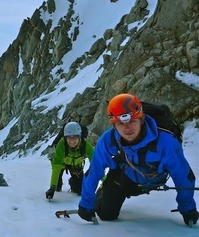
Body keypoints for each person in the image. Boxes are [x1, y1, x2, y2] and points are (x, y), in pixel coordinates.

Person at [78, 93, 198, 226]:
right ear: (114, 125)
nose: (126, 128)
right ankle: (103, 193)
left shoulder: (166, 142)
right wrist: (86, 204)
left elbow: (182, 175)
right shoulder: (109, 140)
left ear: (141, 119)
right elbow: (94, 171)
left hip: (154, 179)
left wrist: (188, 208)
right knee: (106, 214)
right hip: (124, 178)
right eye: (120, 123)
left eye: (132, 121)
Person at [46, 121, 94, 200]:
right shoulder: (61, 145)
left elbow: (96, 164)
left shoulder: (85, 145)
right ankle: (59, 185)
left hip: (76, 165)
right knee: (57, 188)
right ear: (65, 137)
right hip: (62, 163)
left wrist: (105, 181)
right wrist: (52, 187)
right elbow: (57, 166)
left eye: (74, 137)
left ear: (79, 137)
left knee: (80, 190)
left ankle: (73, 182)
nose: (72, 141)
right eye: (69, 137)